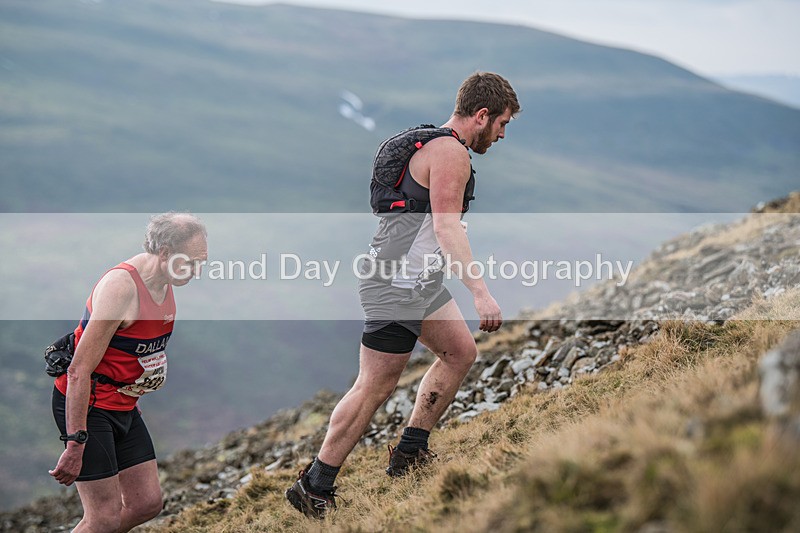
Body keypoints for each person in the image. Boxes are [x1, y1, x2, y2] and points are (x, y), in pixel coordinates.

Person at [286, 72, 520, 518]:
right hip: (395, 286)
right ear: (482, 114)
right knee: (374, 386)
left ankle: (409, 453)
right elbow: (446, 226)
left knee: (459, 351)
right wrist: (480, 292)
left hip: (419, 281)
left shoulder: (437, 145)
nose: (503, 134)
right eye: (502, 124)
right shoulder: (451, 153)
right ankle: (314, 484)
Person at [49, 212, 207, 532]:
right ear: (164, 253)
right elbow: (79, 370)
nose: (196, 271)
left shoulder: (163, 279)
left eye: (201, 262)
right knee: (102, 517)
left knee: (145, 504)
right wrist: (75, 442)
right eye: (190, 262)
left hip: (123, 404)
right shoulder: (121, 288)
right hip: (89, 405)